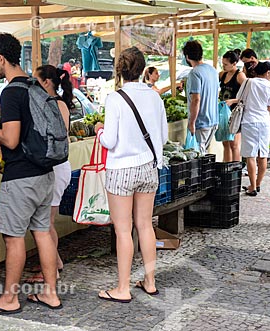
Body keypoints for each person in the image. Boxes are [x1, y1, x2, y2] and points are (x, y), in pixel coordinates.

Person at [0, 33, 61, 315]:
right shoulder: (34, 85)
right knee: (42, 233)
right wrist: (1, 112)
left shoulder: (11, 91)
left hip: (21, 176)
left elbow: (11, 140)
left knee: (13, 238)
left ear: (1, 58)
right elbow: (27, 125)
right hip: (45, 172)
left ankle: (9, 299)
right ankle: (50, 292)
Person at [94, 46, 168, 303]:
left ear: (120, 70)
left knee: (123, 230)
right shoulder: (155, 97)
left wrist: (100, 131)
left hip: (121, 169)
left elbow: (110, 140)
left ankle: (122, 289)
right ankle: (150, 281)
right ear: (143, 69)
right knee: (146, 225)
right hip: (149, 166)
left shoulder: (115, 98)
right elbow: (164, 136)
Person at [25, 64, 73, 284]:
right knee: (46, 221)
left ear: (46, 82)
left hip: (55, 167)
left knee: (46, 223)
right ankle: (56, 261)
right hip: (57, 167)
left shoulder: (54, 104)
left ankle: (50, 269)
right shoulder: (53, 104)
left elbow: (53, 136)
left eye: (36, 81)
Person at [227, 62, 270, 196]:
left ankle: (252, 187)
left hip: (249, 121)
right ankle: (258, 184)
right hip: (264, 123)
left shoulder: (249, 82)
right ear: (267, 72)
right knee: (263, 154)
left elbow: (240, 99)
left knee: (250, 155)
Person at [182, 40, 219, 155]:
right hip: (213, 120)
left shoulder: (195, 73)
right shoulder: (212, 70)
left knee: (199, 157)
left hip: (201, 122)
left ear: (187, 57)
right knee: (204, 154)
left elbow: (196, 99)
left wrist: (191, 122)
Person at [219, 49, 247, 162]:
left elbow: (247, 96)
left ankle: (235, 169)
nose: (224, 66)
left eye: (226, 64)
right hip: (224, 112)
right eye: (223, 64)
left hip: (235, 113)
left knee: (234, 144)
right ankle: (226, 166)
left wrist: (233, 101)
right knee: (225, 142)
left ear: (234, 63)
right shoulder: (222, 74)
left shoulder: (240, 76)